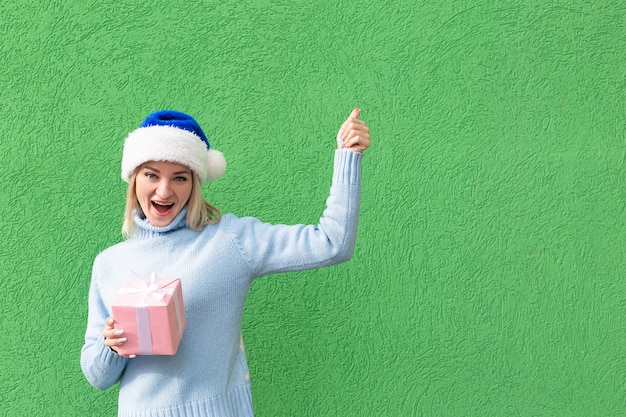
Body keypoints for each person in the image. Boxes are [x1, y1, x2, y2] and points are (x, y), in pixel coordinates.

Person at [80, 108, 370, 417]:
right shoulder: (109, 263)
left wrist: (347, 157)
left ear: (194, 183)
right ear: (134, 178)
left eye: (179, 177)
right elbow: (98, 377)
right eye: (151, 174)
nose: (164, 191)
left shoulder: (230, 240)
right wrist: (111, 345)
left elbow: (332, 243)